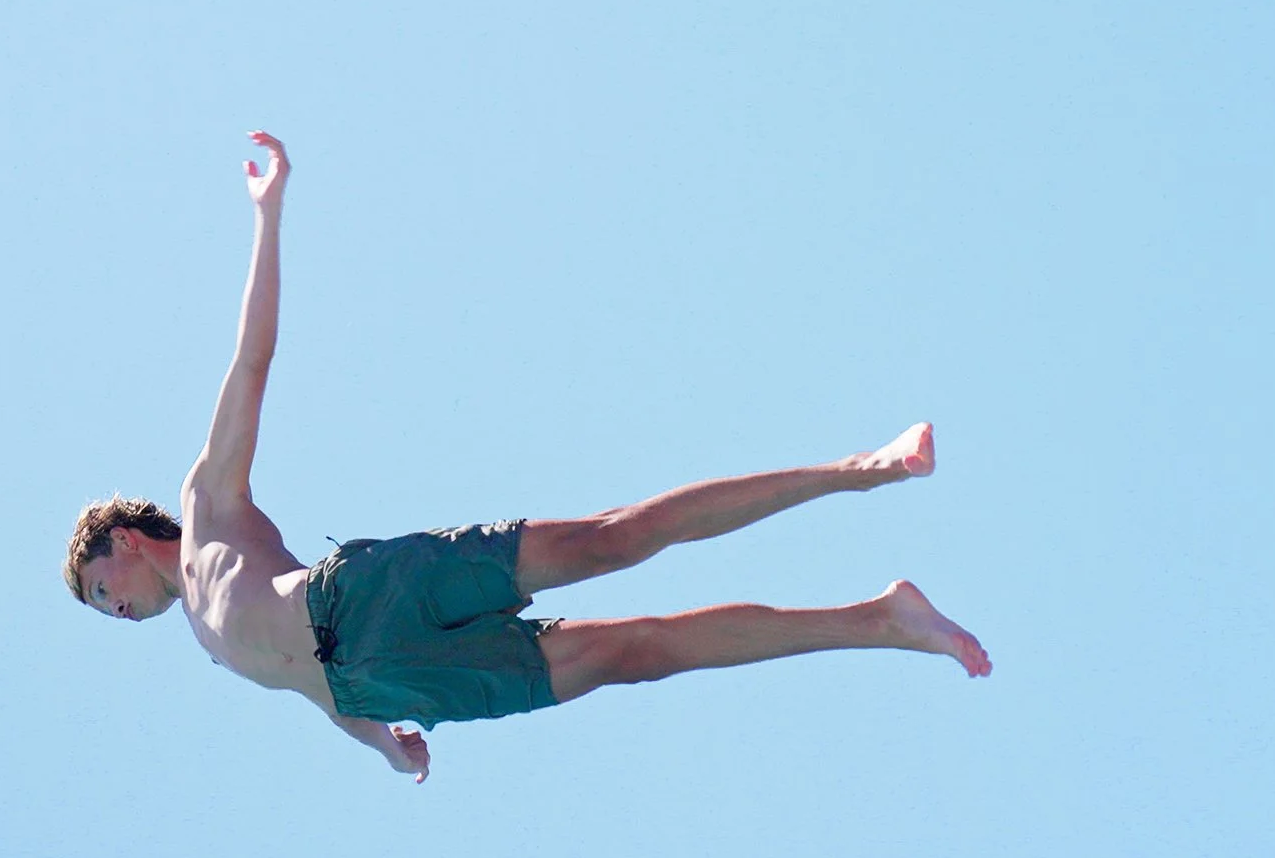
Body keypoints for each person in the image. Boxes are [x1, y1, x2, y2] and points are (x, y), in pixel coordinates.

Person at [66, 132, 990, 782]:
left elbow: (252, 362)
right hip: (389, 679)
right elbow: (310, 686)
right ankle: (881, 619)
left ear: (126, 540)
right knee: (635, 653)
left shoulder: (208, 507)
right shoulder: (213, 646)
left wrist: (267, 219)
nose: (111, 609)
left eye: (100, 587)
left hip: (366, 596)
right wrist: (384, 746)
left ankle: (864, 468)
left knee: (610, 540)